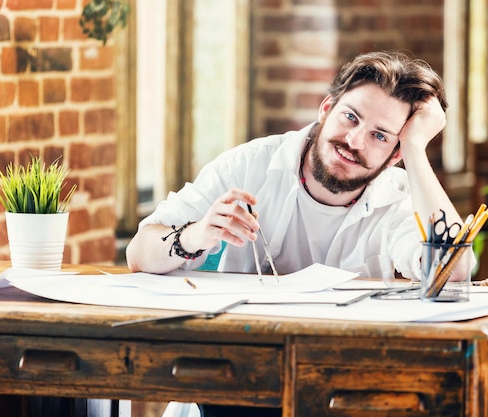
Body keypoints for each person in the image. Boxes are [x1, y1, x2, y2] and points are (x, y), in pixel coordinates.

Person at [126, 51, 466, 417]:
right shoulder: (248, 164)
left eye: (380, 136)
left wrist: (416, 148)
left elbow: (451, 274)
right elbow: (139, 252)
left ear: (395, 154)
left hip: (337, 392)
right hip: (231, 387)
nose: (354, 141)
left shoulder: (401, 198)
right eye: (350, 117)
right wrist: (195, 235)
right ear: (325, 108)